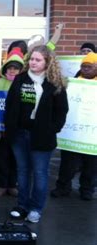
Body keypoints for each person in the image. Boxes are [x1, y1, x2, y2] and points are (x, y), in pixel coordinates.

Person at [5, 45, 68, 223]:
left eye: (38, 60)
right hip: (19, 134)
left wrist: (52, 129)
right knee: (23, 172)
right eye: (32, 59)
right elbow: (10, 104)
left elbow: (62, 110)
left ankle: (35, 208)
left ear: (47, 62)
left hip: (42, 136)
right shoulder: (20, 79)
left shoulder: (54, 83)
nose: (33, 62)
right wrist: (10, 127)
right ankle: (22, 205)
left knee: (40, 173)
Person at [51, 52, 97, 201]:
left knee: (91, 165)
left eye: (89, 67)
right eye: (83, 66)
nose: (85, 69)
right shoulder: (72, 83)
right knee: (67, 163)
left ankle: (87, 189)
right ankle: (63, 187)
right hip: (72, 132)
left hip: (92, 135)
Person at [0, 48, 24, 197]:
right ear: (5, 69)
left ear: (21, 70)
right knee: (0, 157)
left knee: (16, 157)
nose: (12, 70)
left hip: (18, 129)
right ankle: (1, 185)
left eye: (16, 68)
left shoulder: (26, 84)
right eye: (10, 67)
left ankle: (12, 184)